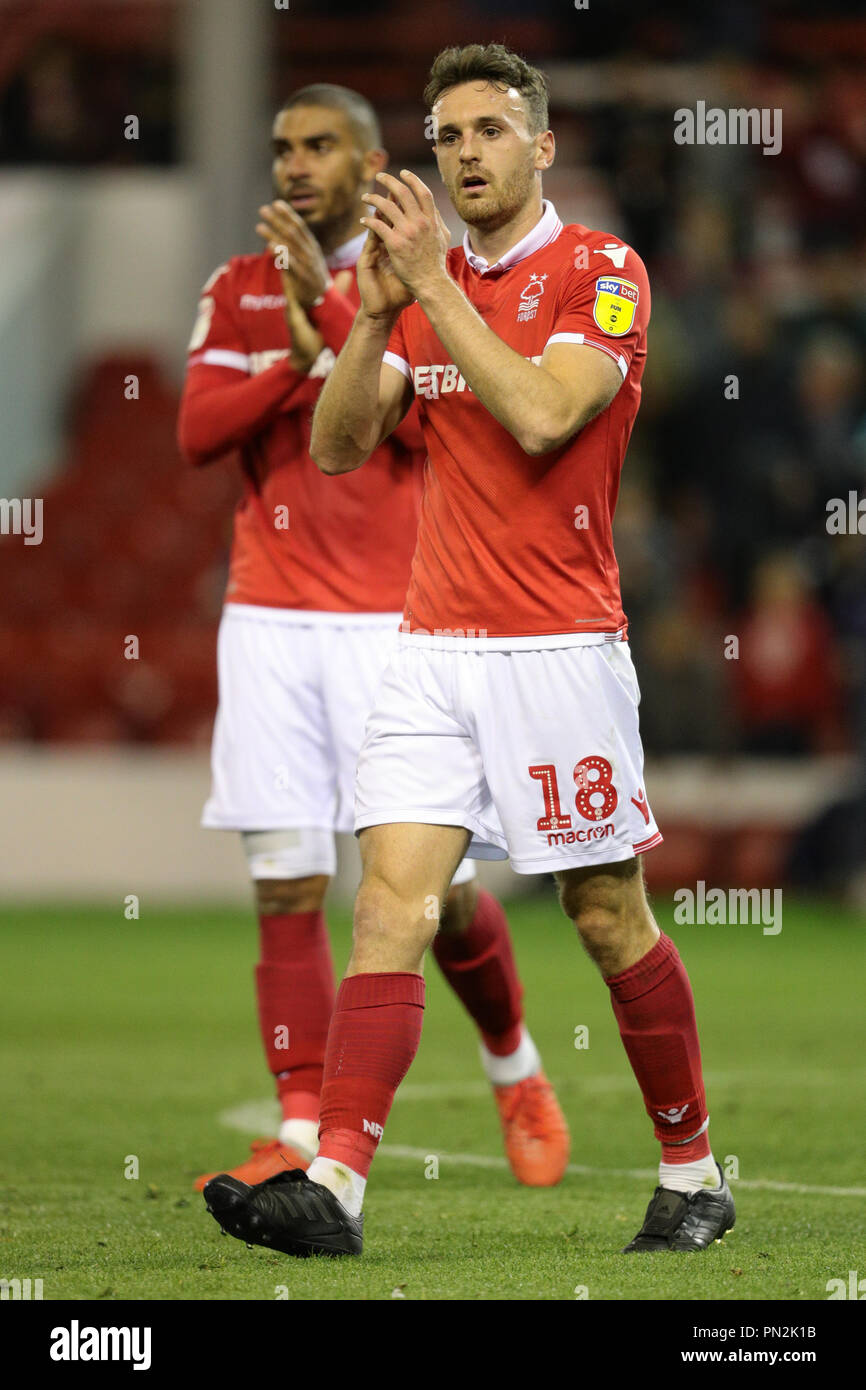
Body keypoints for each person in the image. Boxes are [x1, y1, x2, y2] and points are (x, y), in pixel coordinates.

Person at [203, 46, 734, 1257]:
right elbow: (339, 448)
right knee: (390, 906)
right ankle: (332, 1189)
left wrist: (430, 289)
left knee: (605, 918)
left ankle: (693, 1170)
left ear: (541, 146)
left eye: (490, 130)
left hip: (558, 653)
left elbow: (545, 414)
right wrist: (376, 316)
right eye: (446, 137)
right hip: (430, 649)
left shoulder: (602, 272)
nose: (466, 153)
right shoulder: (422, 294)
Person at [178, 82, 569, 1195]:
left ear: (368, 159)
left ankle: (514, 1061)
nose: (294, 166)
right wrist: (300, 351)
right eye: (280, 148)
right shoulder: (238, 285)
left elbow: (412, 445)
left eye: (318, 147)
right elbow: (196, 431)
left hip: (392, 620)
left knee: (428, 896)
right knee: (284, 878)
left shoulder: (418, 280)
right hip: (265, 615)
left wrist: (331, 324)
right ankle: (303, 1135)